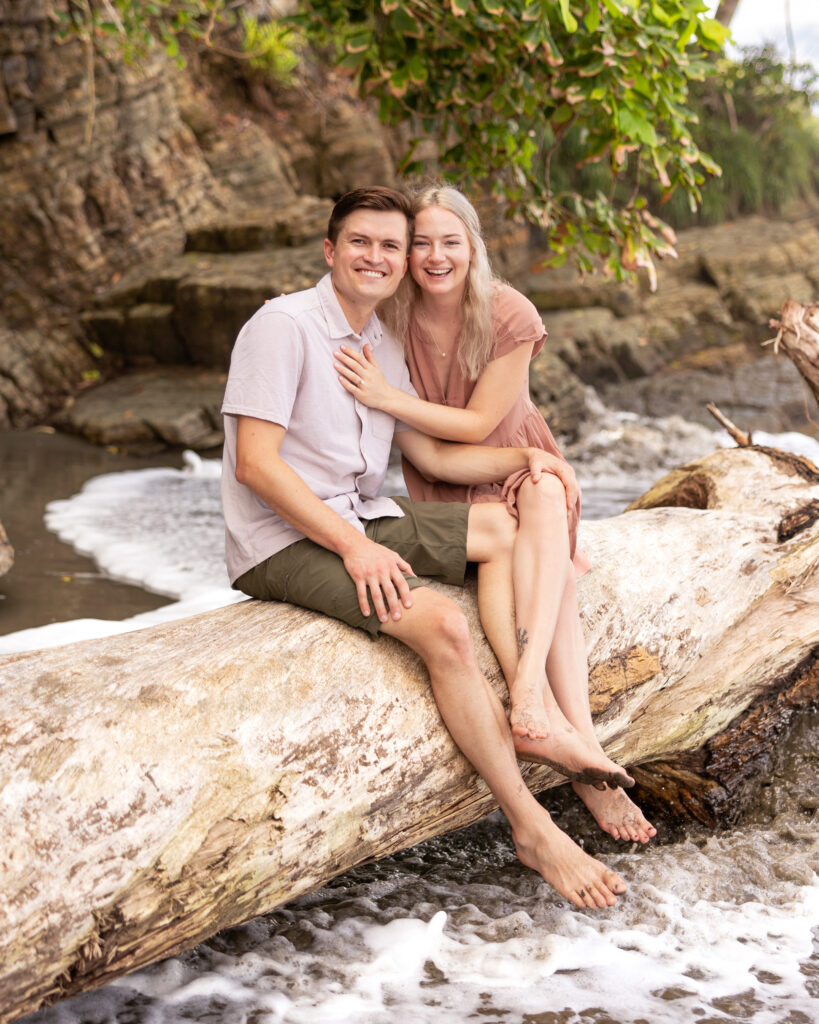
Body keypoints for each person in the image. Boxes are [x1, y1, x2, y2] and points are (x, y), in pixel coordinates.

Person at [221, 185, 629, 908]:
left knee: (503, 528)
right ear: (330, 250)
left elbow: (437, 460)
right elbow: (255, 463)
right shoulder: (281, 326)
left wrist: (528, 464)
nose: (376, 258)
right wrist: (354, 548)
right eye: (361, 242)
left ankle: (534, 712)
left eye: (389, 245)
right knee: (441, 623)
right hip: (279, 541)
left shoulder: (379, 342)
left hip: (358, 512)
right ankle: (529, 825)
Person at [332, 184, 656, 844]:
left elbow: (483, 423)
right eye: (420, 242)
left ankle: (537, 707)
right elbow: (435, 458)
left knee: (540, 496)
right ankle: (582, 761)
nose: (433, 255)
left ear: (473, 247)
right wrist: (386, 393)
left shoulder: (507, 311)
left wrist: (389, 399)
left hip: (511, 459)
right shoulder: (389, 327)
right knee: (551, 571)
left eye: (450, 241)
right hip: (453, 483)